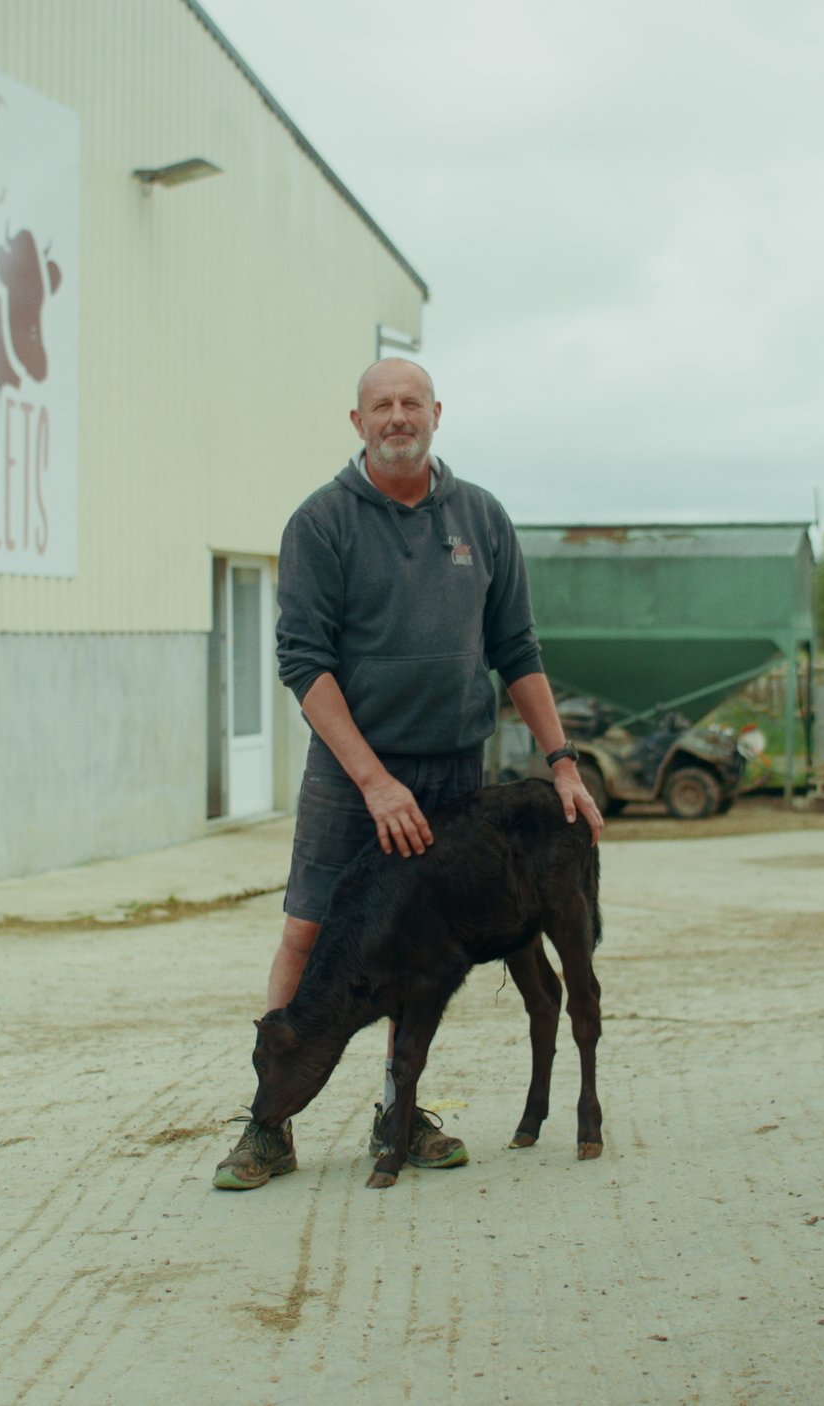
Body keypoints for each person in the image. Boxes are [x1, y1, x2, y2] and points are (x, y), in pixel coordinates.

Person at [215, 358, 603, 1192]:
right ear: (356, 422)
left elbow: (517, 651)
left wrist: (562, 762)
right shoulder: (321, 523)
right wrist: (374, 783)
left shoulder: (481, 519)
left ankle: (399, 1109)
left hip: (454, 771)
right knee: (308, 930)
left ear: (437, 414)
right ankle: (268, 1123)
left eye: (412, 404)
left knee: (419, 950)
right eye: (381, 405)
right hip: (352, 770)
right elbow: (303, 660)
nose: (398, 417)